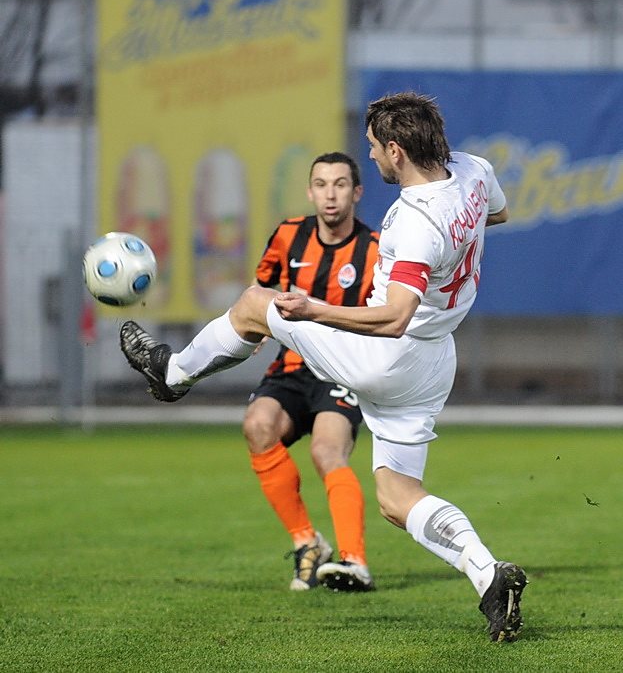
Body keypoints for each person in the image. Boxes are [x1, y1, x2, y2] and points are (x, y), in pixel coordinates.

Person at [120, 91, 527, 643]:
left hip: (386, 354)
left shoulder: (414, 221)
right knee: (396, 496)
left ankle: (171, 375)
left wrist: (314, 309)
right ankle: (488, 574)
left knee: (254, 304)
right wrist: (453, 245)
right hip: (434, 361)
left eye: (374, 147)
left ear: (397, 149)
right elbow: (497, 213)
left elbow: (395, 317)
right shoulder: (474, 171)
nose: (372, 156)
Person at [244, 152, 378, 592]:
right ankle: (307, 542)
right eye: (321, 184)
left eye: (340, 184)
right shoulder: (288, 235)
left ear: (357, 192)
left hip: (342, 370)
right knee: (258, 426)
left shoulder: (375, 249)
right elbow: (261, 285)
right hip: (292, 366)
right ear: (310, 191)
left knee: (326, 452)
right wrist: (255, 323)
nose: (330, 194)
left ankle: (354, 562)